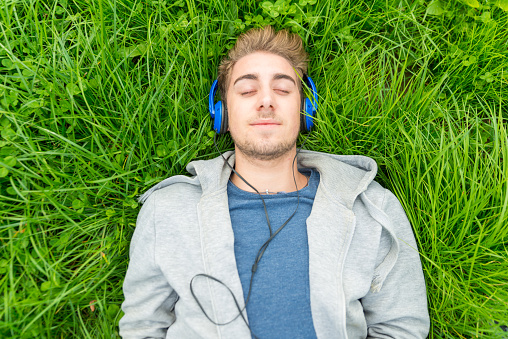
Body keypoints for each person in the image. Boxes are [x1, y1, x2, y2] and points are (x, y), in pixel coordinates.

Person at [119, 26, 430, 339]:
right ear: (222, 110)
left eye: (282, 89)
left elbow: (401, 328)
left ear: (305, 109)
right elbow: (142, 327)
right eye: (247, 90)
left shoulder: (371, 209)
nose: (266, 100)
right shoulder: (167, 211)